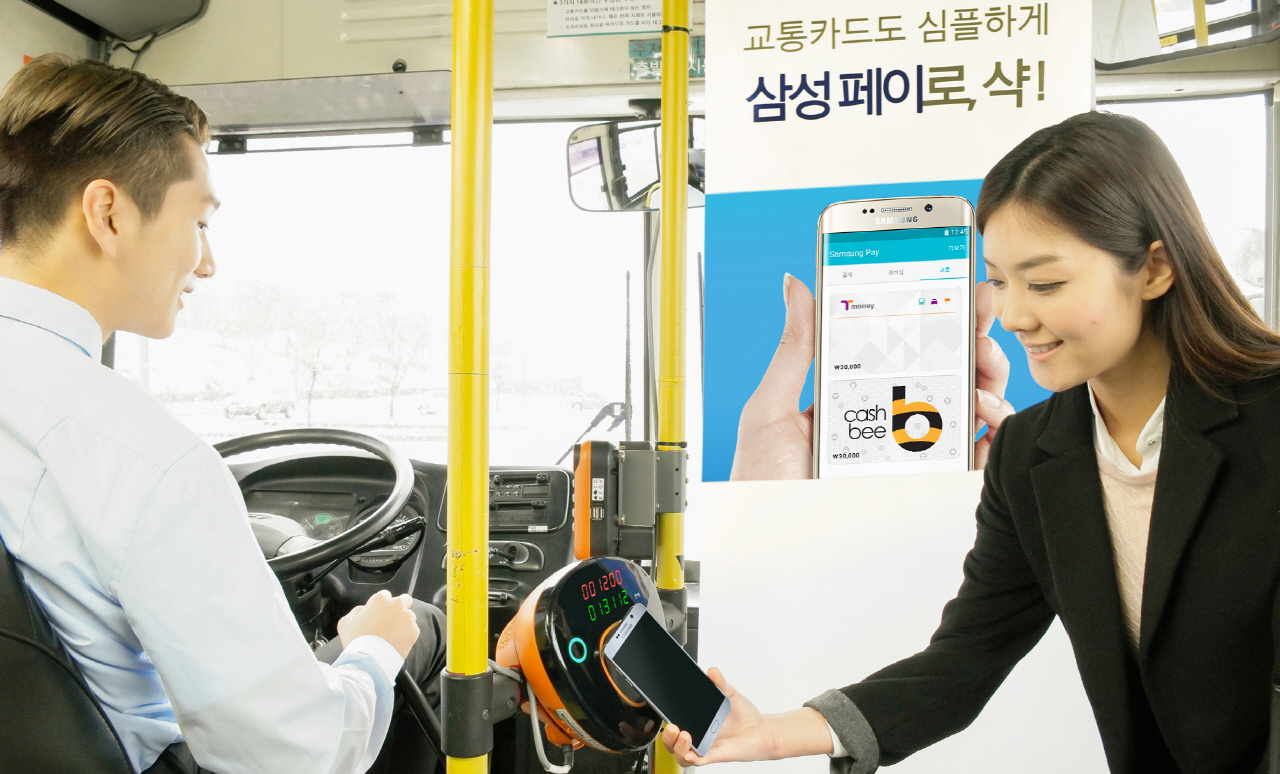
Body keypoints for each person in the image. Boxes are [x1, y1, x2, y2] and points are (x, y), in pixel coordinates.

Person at [665, 110, 1280, 774]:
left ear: (1154, 268)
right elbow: (965, 659)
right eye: (998, 281)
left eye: (1045, 283)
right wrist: (774, 734)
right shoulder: (1032, 454)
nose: (1014, 315)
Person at [0, 54, 444, 774]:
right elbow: (291, 755)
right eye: (199, 223)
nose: (206, 263)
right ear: (108, 214)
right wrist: (372, 648)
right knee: (414, 628)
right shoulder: (144, 458)